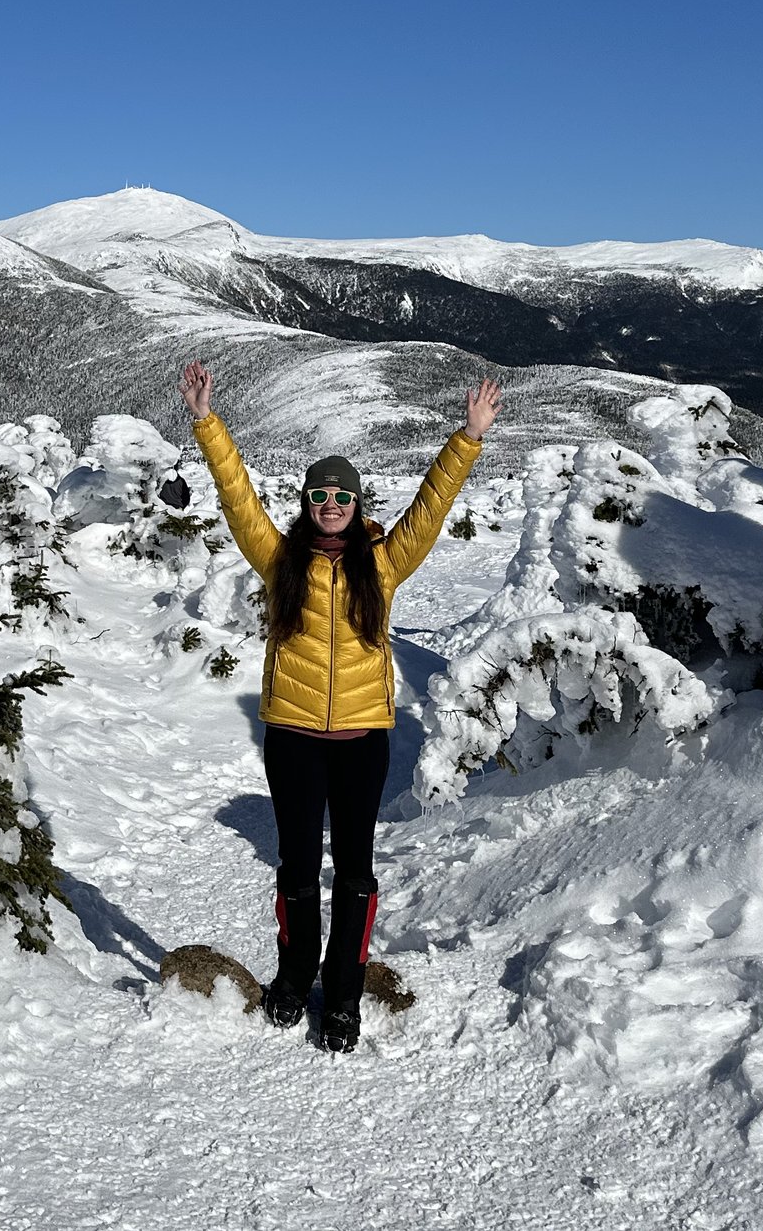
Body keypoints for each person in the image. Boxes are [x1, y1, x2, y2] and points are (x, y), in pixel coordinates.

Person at [179, 360, 502, 1052]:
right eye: (320, 494)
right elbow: (238, 501)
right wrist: (208, 424)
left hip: (362, 740)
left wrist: (466, 439)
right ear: (307, 502)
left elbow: (429, 509)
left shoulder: (381, 564)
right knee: (298, 867)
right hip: (294, 736)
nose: (331, 504)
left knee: (355, 870)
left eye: (342, 496)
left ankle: (345, 993)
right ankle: (295, 977)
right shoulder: (279, 560)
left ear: (357, 505)